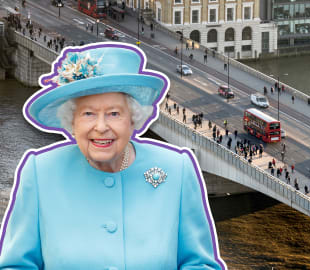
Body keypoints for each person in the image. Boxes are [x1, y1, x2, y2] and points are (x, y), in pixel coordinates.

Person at [0, 43, 226, 269]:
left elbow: (200, 265)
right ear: (72, 122)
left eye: (114, 114)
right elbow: (16, 266)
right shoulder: (41, 172)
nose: (101, 126)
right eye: (88, 114)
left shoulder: (177, 169)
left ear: (133, 119)